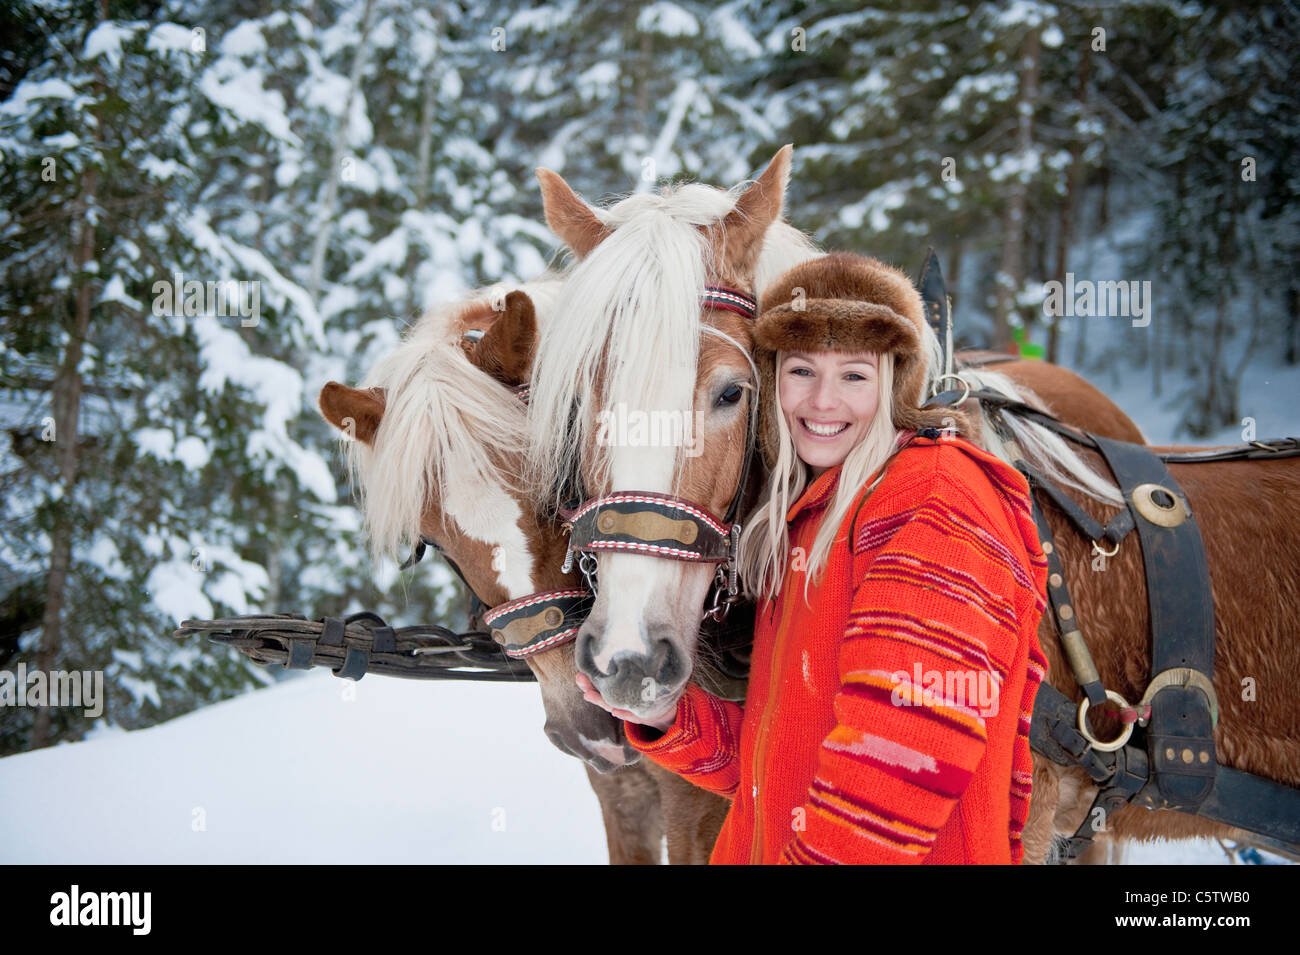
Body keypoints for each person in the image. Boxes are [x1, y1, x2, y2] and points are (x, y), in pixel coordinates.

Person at [577, 251, 1050, 864]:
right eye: (802, 370)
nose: (823, 401)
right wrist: (670, 715)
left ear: (894, 383)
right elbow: (774, 767)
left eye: (854, 375)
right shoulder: (816, 511)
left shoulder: (933, 500)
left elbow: (901, 759)